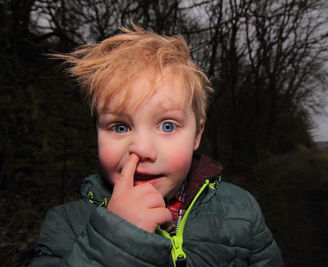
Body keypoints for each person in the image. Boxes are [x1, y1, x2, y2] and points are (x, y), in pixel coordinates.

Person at [29, 24, 283, 267]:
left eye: (167, 126)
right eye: (120, 127)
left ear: (197, 135)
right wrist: (114, 242)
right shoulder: (67, 223)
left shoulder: (242, 209)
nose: (142, 149)